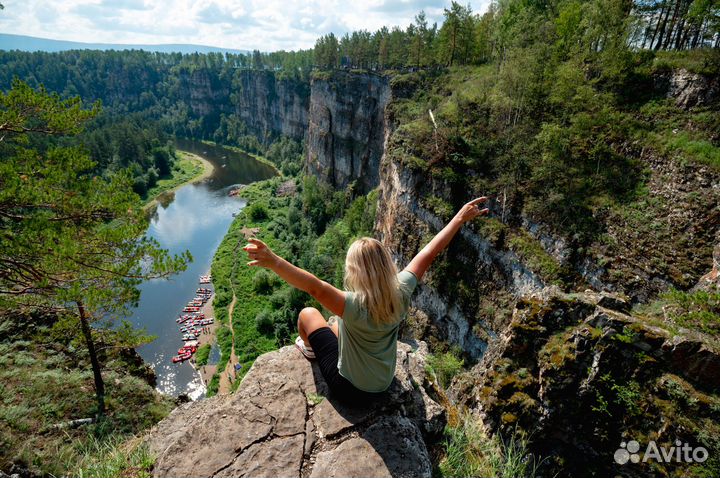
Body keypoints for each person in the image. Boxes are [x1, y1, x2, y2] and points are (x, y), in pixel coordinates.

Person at [242, 197, 488, 404]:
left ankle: (308, 349)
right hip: (384, 383)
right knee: (337, 324)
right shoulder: (401, 289)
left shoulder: (352, 304)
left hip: (349, 390)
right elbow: (429, 252)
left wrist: (274, 261)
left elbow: (314, 287)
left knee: (308, 314)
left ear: (355, 272)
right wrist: (458, 219)